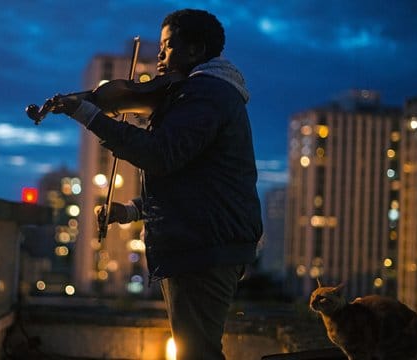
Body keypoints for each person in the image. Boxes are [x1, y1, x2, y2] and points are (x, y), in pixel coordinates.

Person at [51, 9, 263, 359]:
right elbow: (192, 180)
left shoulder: (206, 94)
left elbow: (160, 154)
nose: (159, 57)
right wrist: (132, 209)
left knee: (197, 353)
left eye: (167, 47)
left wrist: (89, 114)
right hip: (203, 243)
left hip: (204, 249)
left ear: (194, 50)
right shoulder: (198, 94)